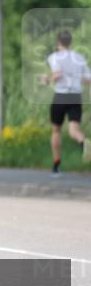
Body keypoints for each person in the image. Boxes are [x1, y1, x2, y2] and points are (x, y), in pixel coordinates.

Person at [40, 30, 91, 176]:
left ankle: (56, 165)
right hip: (75, 96)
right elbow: (88, 79)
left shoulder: (54, 57)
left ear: (58, 43)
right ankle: (84, 143)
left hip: (61, 96)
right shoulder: (79, 57)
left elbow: (57, 74)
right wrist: (76, 78)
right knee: (74, 130)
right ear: (70, 42)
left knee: (56, 130)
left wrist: (46, 79)